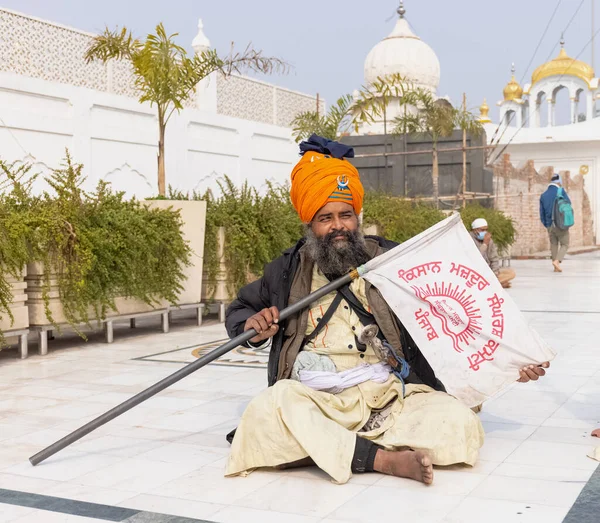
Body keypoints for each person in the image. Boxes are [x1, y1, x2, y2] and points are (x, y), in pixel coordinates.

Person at [224, 135, 549, 486]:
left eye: (346, 215)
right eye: (326, 218)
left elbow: (457, 316)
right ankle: (382, 459)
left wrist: (508, 361)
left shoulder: (392, 261)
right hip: (318, 400)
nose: (338, 227)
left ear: (357, 216)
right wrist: (251, 325)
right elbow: (240, 310)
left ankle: (332, 447)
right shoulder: (285, 271)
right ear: (309, 224)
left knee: (459, 425)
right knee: (271, 407)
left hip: (388, 399)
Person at [470, 218, 516, 288]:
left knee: (511, 273)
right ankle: (496, 284)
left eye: (486, 230)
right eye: (482, 230)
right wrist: (485, 244)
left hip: (489, 273)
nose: (485, 232)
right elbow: (476, 258)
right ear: (475, 230)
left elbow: (494, 259)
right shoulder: (469, 239)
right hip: (475, 272)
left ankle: (492, 283)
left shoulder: (489, 241)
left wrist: (495, 274)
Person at [540, 173, 571, 272]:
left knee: (553, 244)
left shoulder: (543, 195)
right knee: (565, 244)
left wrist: (547, 224)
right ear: (558, 181)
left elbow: (542, 212)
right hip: (561, 224)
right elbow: (568, 205)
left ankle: (555, 267)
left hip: (549, 225)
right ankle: (557, 261)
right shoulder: (560, 191)